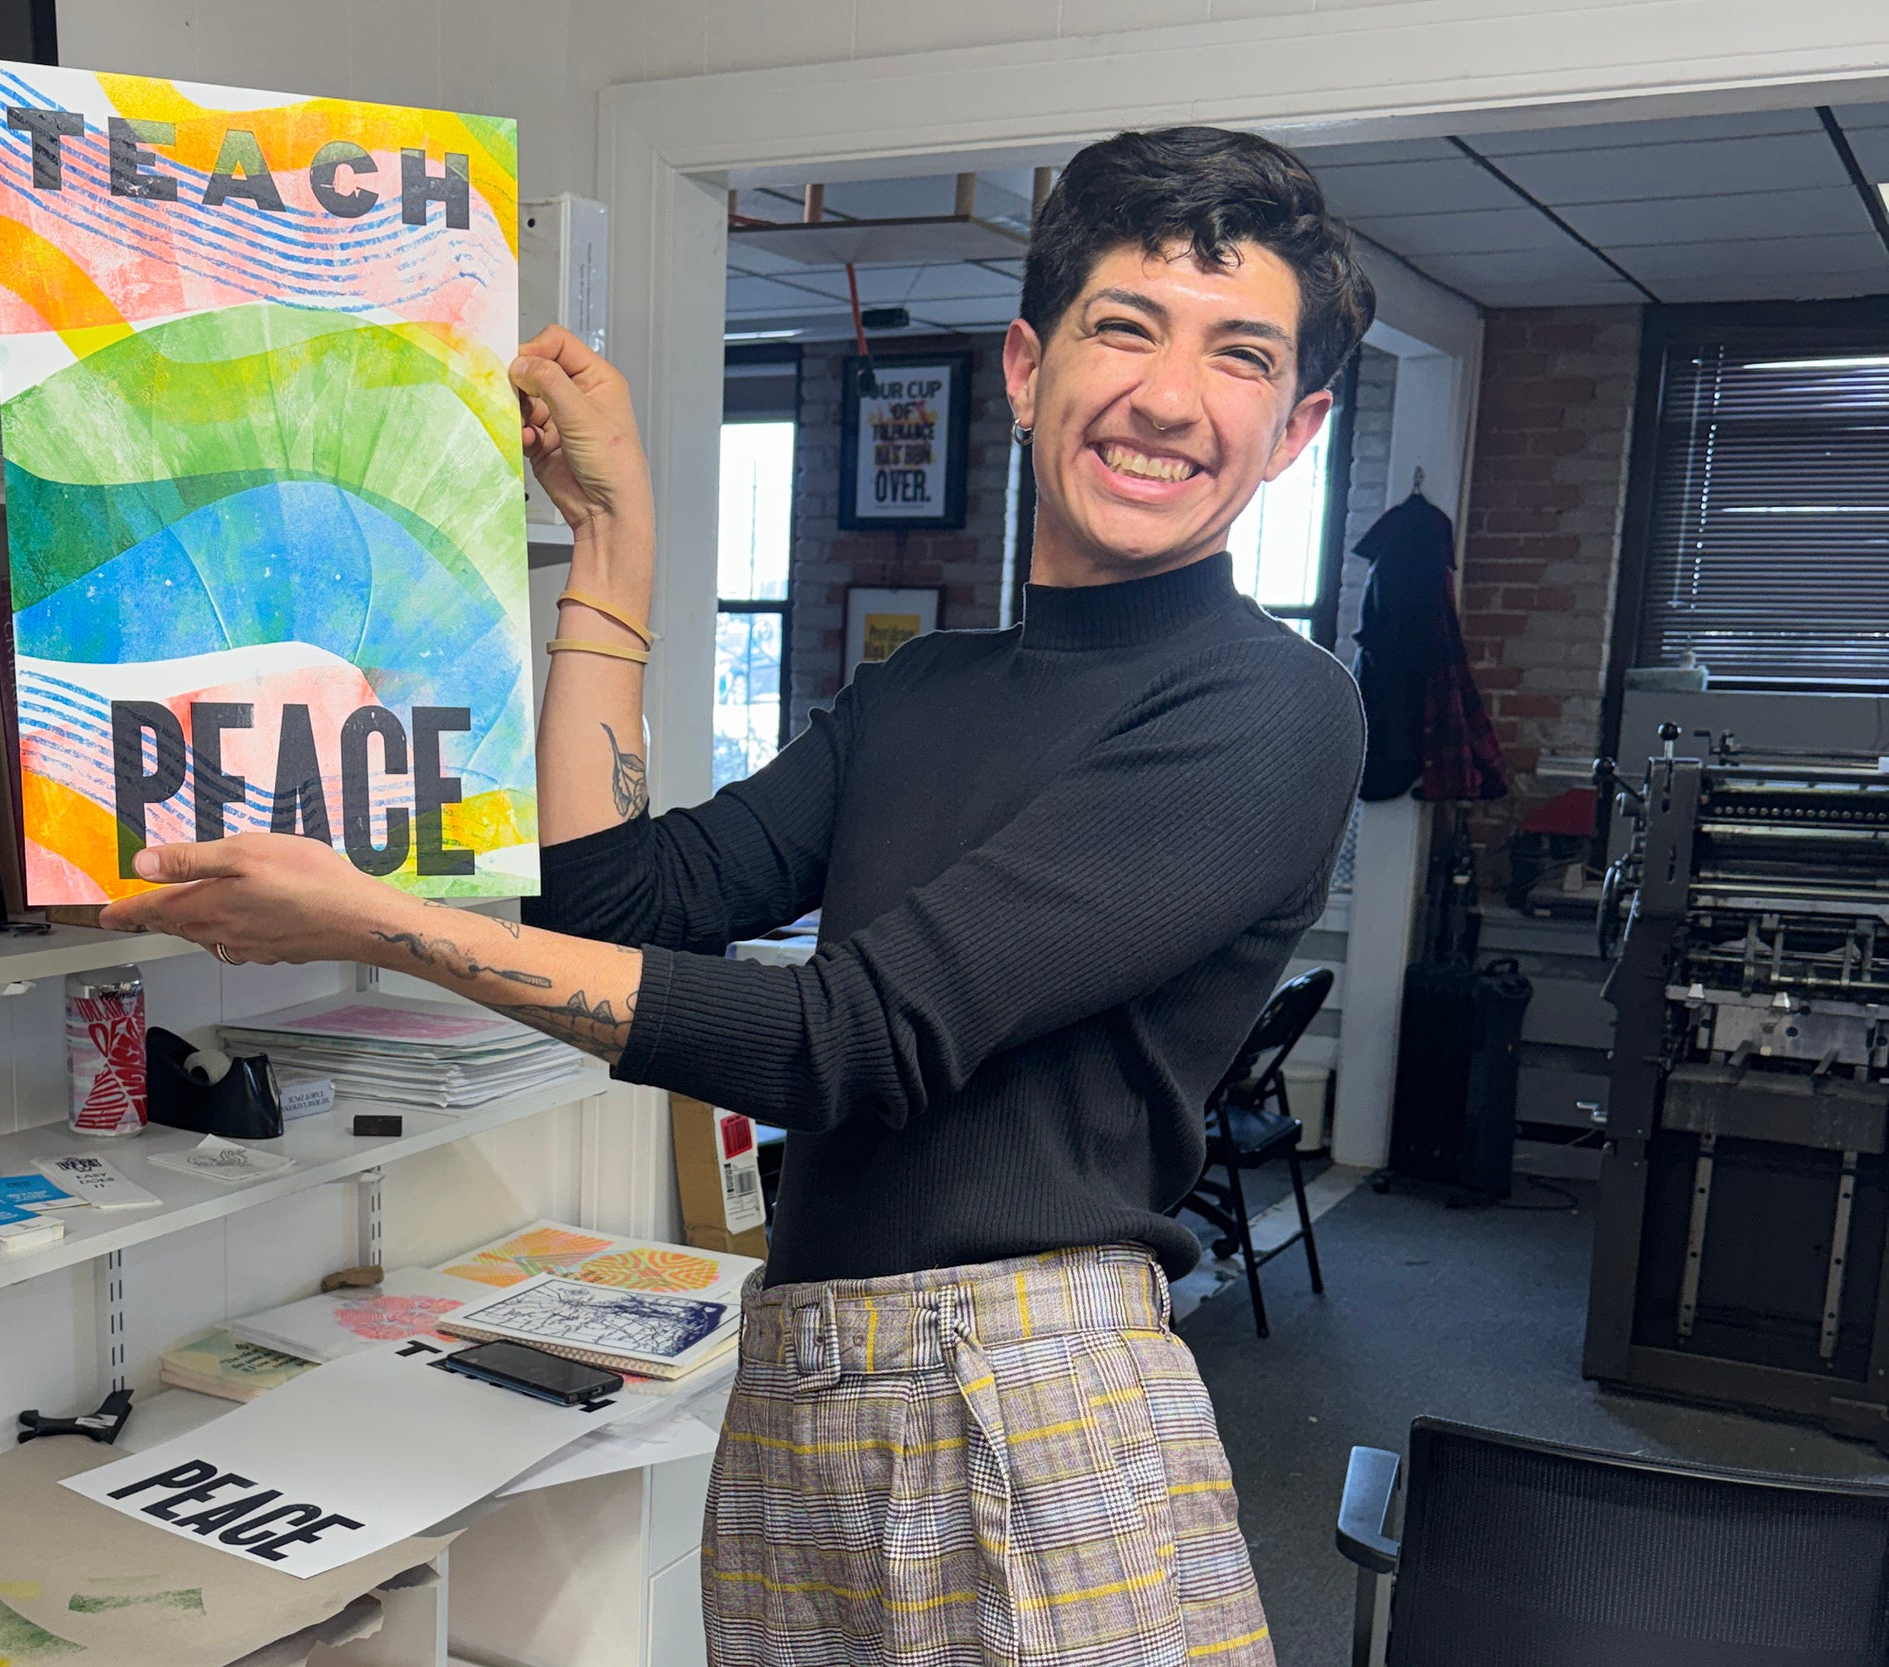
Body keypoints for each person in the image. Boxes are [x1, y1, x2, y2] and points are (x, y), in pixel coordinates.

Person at [104, 126, 1370, 1667]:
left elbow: (850, 1040)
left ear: (1294, 428)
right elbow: (620, 895)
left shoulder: (1270, 710)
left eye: (1237, 355)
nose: (1170, 397)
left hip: (1039, 1399)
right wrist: (613, 539)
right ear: (1029, 368)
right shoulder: (924, 696)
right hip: (803, 1380)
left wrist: (375, 923)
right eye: (1125, 326)